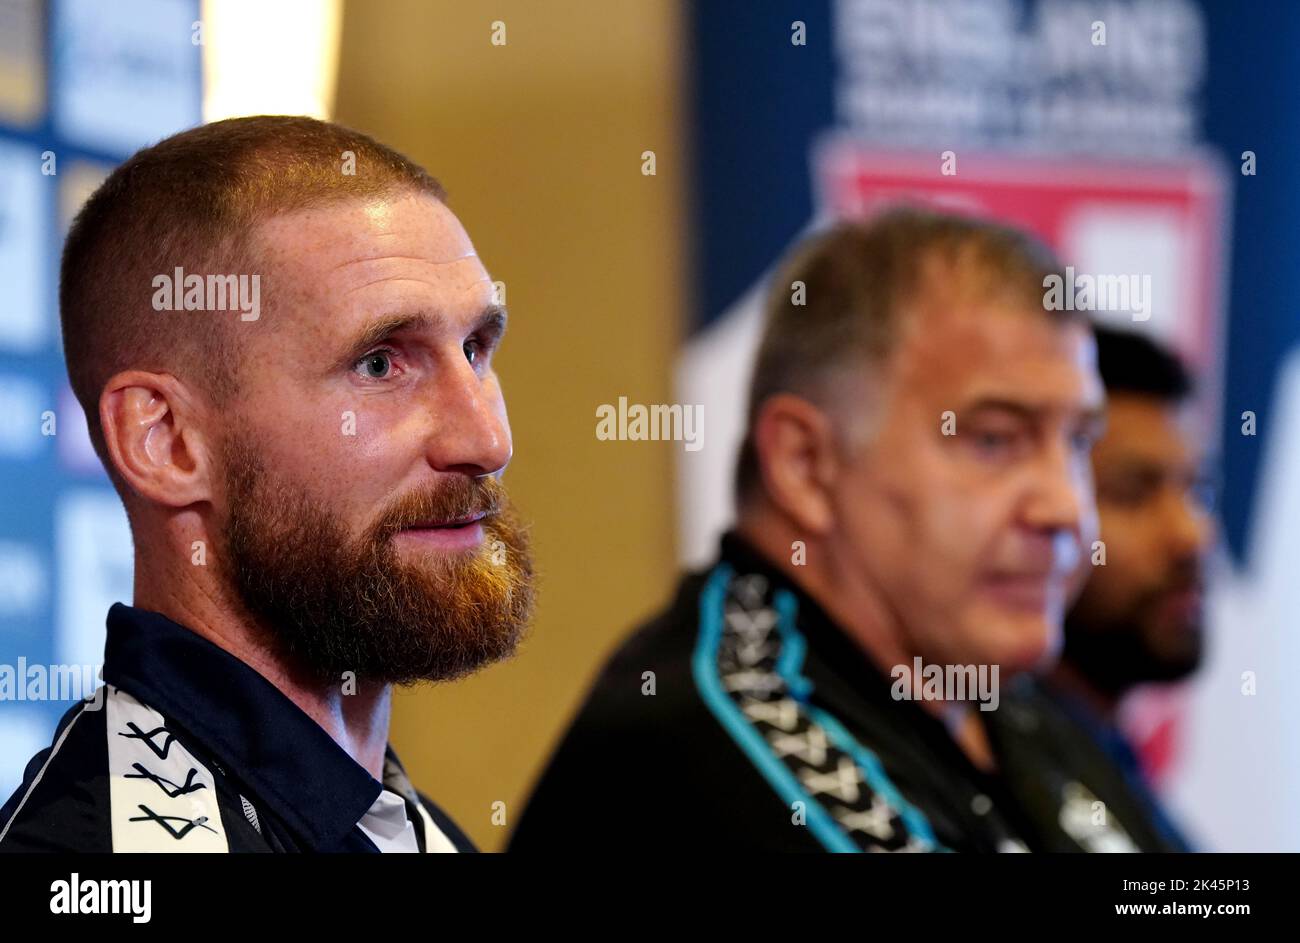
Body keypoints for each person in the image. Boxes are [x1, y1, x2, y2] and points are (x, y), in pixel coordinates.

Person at [0, 115, 534, 853]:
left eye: (475, 348)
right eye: (380, 363)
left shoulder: (412, 833)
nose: (486, 440)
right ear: (167, 441)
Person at [511, 206, 1114, 852]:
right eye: (995, 439)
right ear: (805, 465)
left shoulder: (1004, 699)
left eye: (1078, 441)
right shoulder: (711, 739)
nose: (1066, 508)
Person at [983, 327, 1212, 852]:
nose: (1192, 535)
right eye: (1134, 493)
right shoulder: (982, 770)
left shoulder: (1108, 764)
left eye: (1198, 490)